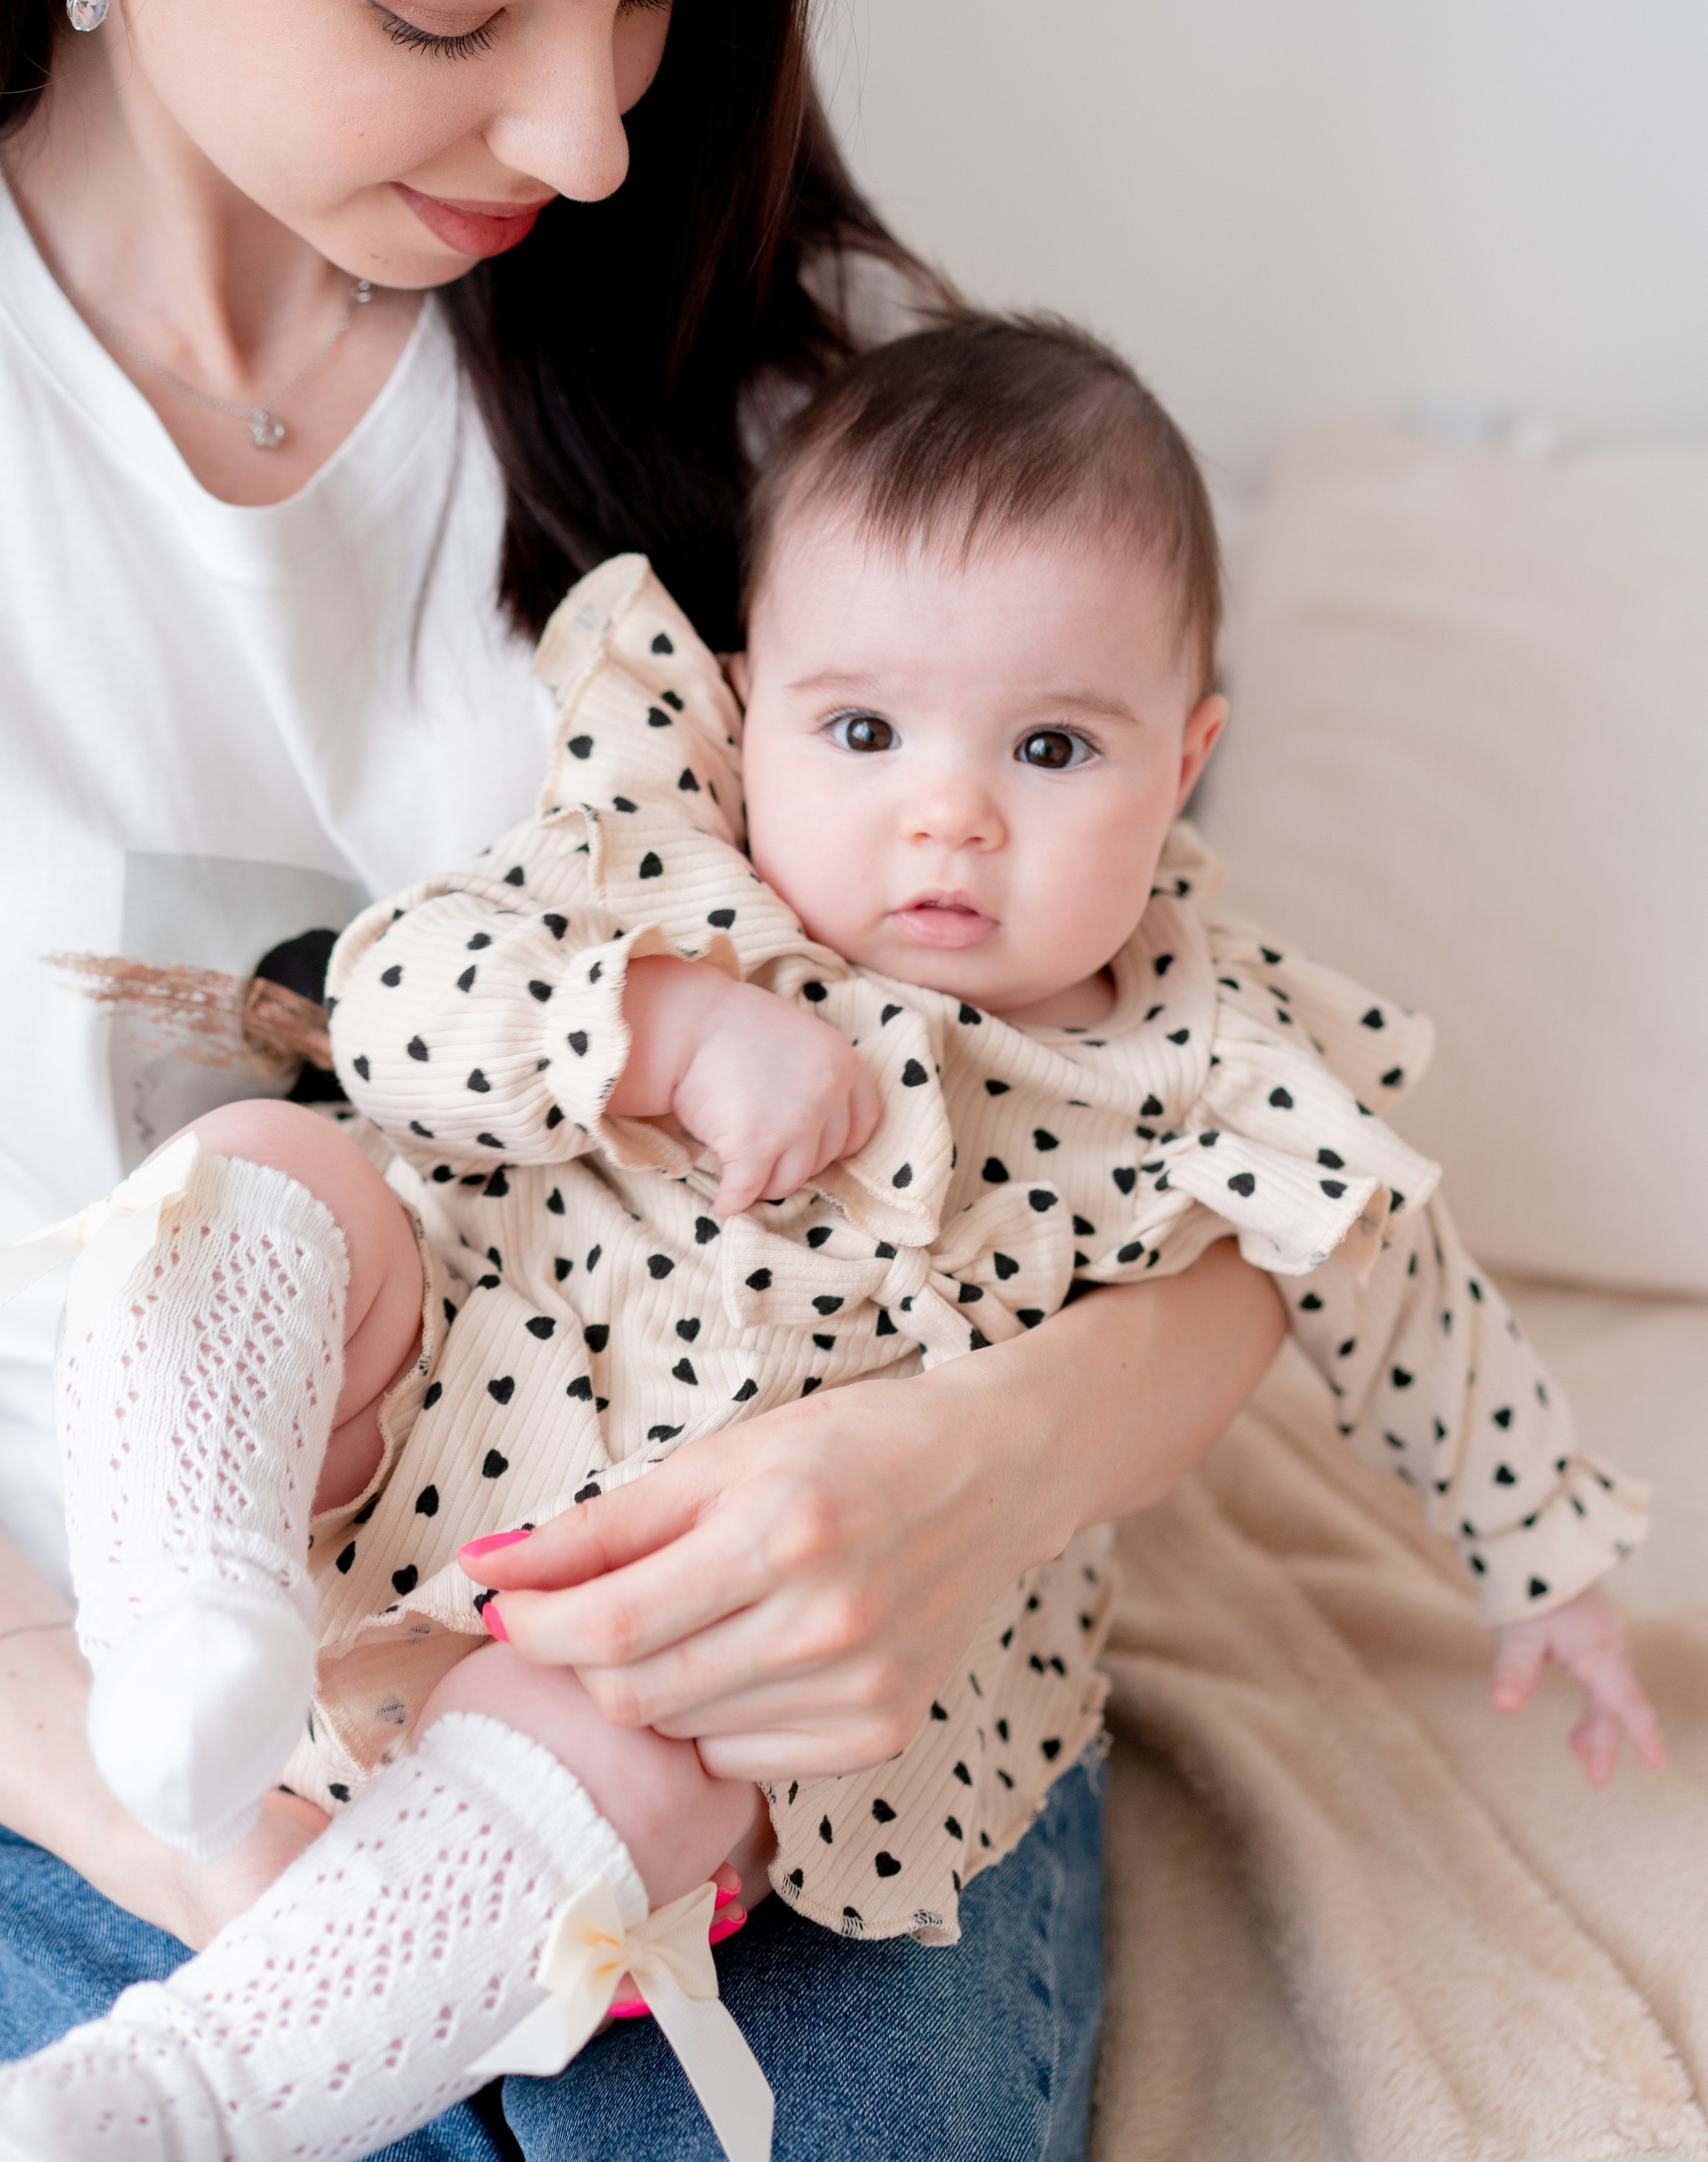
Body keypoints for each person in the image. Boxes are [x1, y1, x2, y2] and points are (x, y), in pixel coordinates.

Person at [0, 0, 1290, 2156]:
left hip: (757, 1665)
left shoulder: (819, 439)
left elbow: (1222, 1140)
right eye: (453, 12)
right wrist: (90, 1754)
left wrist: (976, 1477)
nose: (590, 135)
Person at [0, 317, 1663, 2159]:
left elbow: (1397, 1275)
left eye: (1049, 745)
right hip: (443, 1390)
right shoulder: (665, 845)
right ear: (745, 692)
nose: (945, 810)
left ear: (1187, 755)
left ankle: (210, 2080)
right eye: (862, 729)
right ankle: (174, 1619)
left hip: (729, 1628)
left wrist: (1542, 1554)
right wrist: (661, 1026)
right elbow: (390, 1011)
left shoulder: (1216, 1062)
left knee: (651, 1761)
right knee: (259, 1162)